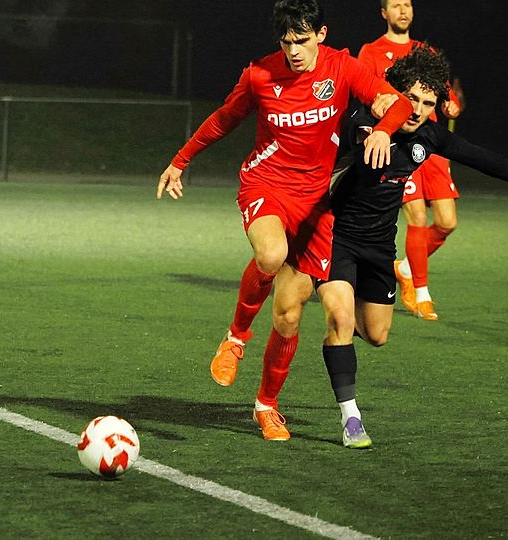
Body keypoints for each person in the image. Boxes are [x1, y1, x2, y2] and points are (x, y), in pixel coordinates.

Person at [157, 0, 415, 441]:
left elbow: (398, 104)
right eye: (286, 41)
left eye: (301, 40)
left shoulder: (342, 68)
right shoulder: (260, 74)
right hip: (266, 183)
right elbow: (224, 118)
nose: (293, 51)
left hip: (314, 205)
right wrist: (180, 161)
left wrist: (383, 130)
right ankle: (236, 338)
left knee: (289, 317)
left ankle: (266, 406)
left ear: (321, 34)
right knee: (271, 254)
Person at [317, 45, 508, 448]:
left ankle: (338, 337)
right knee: (340, 318)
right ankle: (351, 418)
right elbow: (328, 145)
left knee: (376, 335)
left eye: (428, 103)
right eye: (411, 98)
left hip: (379, 246)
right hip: (335, 236)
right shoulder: (362, 119)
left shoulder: (427, 135)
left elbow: (478, 156)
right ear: (394, 92)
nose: (417, 110)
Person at [358, 0, 465, 321]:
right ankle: (421, 293)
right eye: (396, 5)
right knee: (416, 216)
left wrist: (451, 105)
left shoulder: (425, 52)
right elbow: (364, 90)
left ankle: (404, 267)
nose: (403, 10)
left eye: (407, 4)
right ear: (384, 13)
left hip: (430, 143)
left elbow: (445, 94)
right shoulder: (371, 52)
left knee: (447, 222)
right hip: (400, 142)